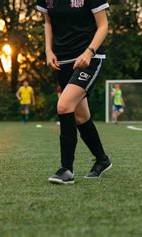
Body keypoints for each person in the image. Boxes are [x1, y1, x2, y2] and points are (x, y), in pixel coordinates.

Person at [36, 0, 112, 184]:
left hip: (88, 58)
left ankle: (66, 170)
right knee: (80, 116)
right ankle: (102, 160)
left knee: (64, 105)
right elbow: (48, 22)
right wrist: (48, 50)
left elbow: (103, 25)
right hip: (62, 61)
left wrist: (89, 52)